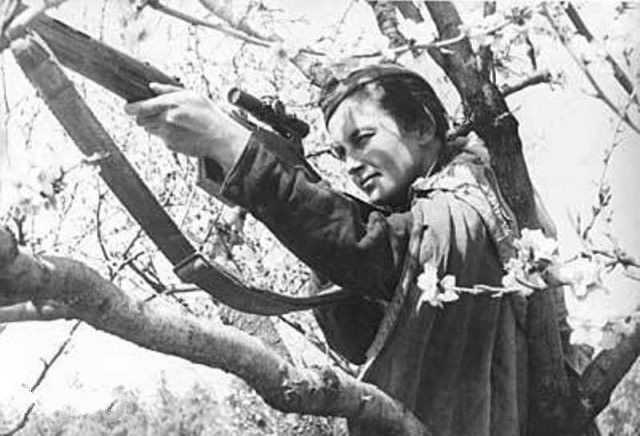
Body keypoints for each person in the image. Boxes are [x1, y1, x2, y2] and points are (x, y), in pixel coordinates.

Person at [125, 64, 528, 436]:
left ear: (422, 127)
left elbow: (367, 248)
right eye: (340, 154)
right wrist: (296, 183)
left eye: (362, 139)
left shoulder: (467, 202)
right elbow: (355, 338)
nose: (351, 164)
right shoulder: (432, 218)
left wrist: (228, 142)